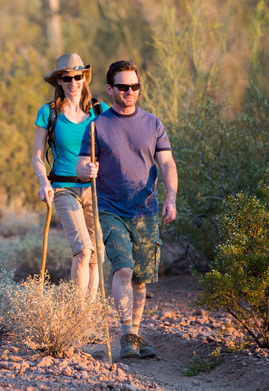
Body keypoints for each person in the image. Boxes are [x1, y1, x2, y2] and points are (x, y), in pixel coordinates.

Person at [76, 60, 178, 359]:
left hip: (145, 210)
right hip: (110, 209)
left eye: (134, 86)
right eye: (123, 87)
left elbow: (167, 162)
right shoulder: (97, 127)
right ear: (110, 89)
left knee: (141, 278)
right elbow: (82, 166)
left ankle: (134, 332)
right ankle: (125, 334)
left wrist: (170, 197)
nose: (130, 91)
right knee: (123, 268)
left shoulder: (153, 123)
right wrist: (88, 169)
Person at [31, 53, 110, 300]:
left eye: (78, 77)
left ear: (85, 78)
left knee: (97, 255)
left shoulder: (101, 111)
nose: (73, 82)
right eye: (67, 78)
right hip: (64, 189)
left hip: (96, 190)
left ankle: (89, 313)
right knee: (83, 251)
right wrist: (44, 182)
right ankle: (79, 312)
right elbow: (36, 156)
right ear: (59, 82)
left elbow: (113, 149)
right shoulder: (49, 113)